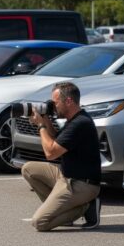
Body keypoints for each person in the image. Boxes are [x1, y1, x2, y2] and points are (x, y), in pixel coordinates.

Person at [21, 82, 101, 231]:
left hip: (82, 184)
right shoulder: (73, 119)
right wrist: (46, 120)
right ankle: (63, 214)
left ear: (69, 101)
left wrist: (41, 126)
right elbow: (58, 141)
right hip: (66, 175)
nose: (53, 106)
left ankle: (85, 206)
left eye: (55, 102)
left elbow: (51, 153)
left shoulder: (80, 123)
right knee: (28, 169)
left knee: (40, 223)